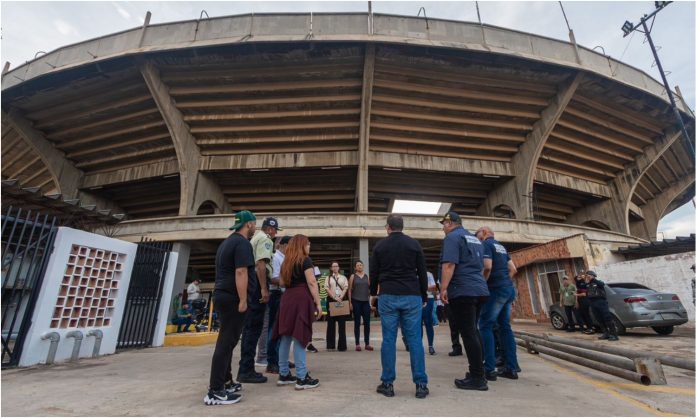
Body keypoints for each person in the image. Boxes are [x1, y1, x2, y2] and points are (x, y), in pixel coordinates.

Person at [370, 214, 430, 399]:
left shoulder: (380, 246)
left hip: (388, 295)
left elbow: (374, 273)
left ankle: (387, 384)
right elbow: (421, 271)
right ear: (402, 227)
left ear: (388, 227)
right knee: (414, 340)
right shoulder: (414, 244)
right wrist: (423, 294)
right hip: (411, 295)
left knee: (388, 339)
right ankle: (420, 385)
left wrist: (374, 293)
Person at [204, 210, 256, 405]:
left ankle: (225, 381)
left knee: (228, 340)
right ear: (249, 224)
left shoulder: (227, 242)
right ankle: (215, 391)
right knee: (226, 342)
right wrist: (243, 299)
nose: (255, 227)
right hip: (233, 298)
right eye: (254, 224)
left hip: (223, 296)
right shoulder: (242, 243)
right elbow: (241, 271)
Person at [439, 212, 489, 391]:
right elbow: (485, 266)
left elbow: (449, 265)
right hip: (480, 289)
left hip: (463, 290)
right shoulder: (474, 239)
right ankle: (480, 371)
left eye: (444, 223)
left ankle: (477, 378)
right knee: (474, 331)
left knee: (468, 333)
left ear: (450, 223)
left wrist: (443, 288)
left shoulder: (452, 237)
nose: (443, 227)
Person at [272, 235, 322, 390]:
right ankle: (302, 377)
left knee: (286, 337)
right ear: (301, 245)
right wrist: (318, 303)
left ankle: (284, 374)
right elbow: (312, 282)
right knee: (300, 337)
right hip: (301, 298)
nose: (309, 246)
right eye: (308, 244)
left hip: (287, 298)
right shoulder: (305, 260)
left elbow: (281, 282)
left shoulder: (286, 261)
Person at [238, 217, 279, 383]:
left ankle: (245, 367)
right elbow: (261, 264)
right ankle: (246, 370)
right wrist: (263, 288)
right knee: (255, 327)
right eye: (275, 230)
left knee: (249, 328)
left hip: (251, 284)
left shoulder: (253, 238)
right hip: (258, 285)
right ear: (270, 229)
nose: (275, 234)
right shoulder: (264, 239)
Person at [475, 226, 519, 381]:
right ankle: (511, 368)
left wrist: (482, 285)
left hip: (495, 290)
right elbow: (513, 269)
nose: (477, 237)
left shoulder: (486, 244)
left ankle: (489, 368)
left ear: (485, 233)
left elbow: (487, 267)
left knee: (485, 326)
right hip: (507, 289)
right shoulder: (501, 246)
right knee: (505, 327)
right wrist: (505, 281)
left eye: (478, 234)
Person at [265, 235, 291, 374]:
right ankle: (272, 362)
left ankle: (282, 359)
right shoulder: (276, 258)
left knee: (283, 330)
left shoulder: (285, 258)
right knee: (274, 330)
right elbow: (273, 278)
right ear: (283, 245)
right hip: (277, 295)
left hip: (284, 295)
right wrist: (288, 281)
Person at [585, 270, 619, 341]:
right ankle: (606, 333)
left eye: (589, 275)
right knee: (599, 319)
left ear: (593, 275)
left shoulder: (598, 282)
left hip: (601, 302)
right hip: (593, 303)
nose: (588, 276)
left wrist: (593, 279)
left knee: (607, 318)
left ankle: (614, 335)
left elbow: (602, 284)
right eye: (587, 275)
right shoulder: (588, 284)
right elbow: (585, 290)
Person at [349, 260, 373, 351]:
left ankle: (367, 344)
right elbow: (350, 290)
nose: (360, 266)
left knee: (367, 323)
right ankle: (357, 344)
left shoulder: (367, 277)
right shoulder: (353, 276)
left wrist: (370, 302)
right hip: (356, 301)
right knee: (357, 323)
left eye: (361, 265)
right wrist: (350, 302)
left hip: (365, 302)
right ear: (355, 267)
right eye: (358, 265)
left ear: (363, 266)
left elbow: (370, 290)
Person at [325, 261, 349, 351]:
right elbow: (327, 288)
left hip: (341, 300)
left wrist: (341, 296)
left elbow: (346, 287)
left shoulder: (343, 278)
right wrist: (334, 297)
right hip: (331, 300)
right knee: (330, 324)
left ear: (339, 268)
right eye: (333, 266)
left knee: (342, 324)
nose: (335, 268)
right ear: (331, 268)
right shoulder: (328, 278)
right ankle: (330, 346)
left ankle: (342, 346)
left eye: (336, 266)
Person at [423, 271, 437, 355]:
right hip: (416, 298)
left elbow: (434, 287)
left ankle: (430, 346)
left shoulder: (428, 274)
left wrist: (421, 287)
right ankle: (418, 346)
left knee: (428, 322)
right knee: (416, 324)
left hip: (428, 298)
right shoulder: (410, 272)